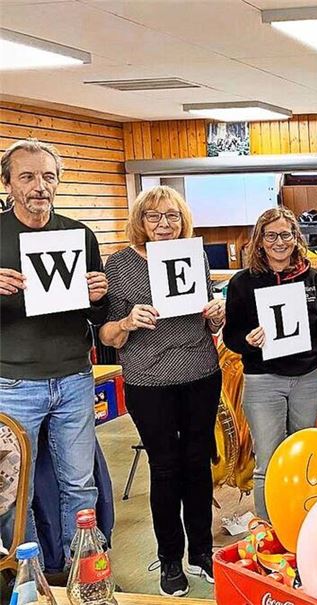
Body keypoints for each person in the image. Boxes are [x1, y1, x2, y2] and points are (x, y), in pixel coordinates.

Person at [98, 186, 225, 597]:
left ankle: (202, 552)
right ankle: (170, 557)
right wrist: (127, 321)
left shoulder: (194, 255)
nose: (164, 225)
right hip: (147, 380)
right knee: (166, 467)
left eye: (171, 217)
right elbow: (107, 335)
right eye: (154, 217)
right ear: (140, 222)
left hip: (200, 372)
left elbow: (207, 322)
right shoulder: (117, 266)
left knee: (197, 463)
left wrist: (216, 315)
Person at [0, 139, 108, 568]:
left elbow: (93, 311)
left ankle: (80, 571)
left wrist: (98, 297)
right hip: (12, 382)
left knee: (81, 484)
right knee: (14, 490)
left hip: (73, 378)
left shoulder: (79, 234)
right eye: (27, 176)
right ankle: (28, 578)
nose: (39, 186)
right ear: (7, 183)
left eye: (48, 176)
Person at [222, 207, 317, 520]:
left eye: (285, 234)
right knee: (268, 460)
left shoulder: (312, 278)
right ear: (260, 241)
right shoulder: (242, 283)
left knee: (304, 455)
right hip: (264, 380)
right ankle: (268, 527)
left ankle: (302, 520)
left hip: (307, 379)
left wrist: (308, 347)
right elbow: (231, 335)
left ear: (295, 238)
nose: (279, 242)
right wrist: (249, 340)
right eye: (271, 236)